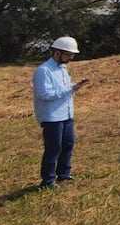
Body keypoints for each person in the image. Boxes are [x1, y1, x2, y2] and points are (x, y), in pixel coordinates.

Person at [32, 36, 89, 189]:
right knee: (53, 148)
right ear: (57, 53)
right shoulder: (43, 71)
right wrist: (69, 89)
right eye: (68, 54)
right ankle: (48, 181)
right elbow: (44, 94)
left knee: (67, 144)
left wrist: (75, 87)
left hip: (66, 114)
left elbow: (64, 90)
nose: (71, 58)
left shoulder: (63, 70)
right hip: (52, 116)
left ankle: (63, 173)